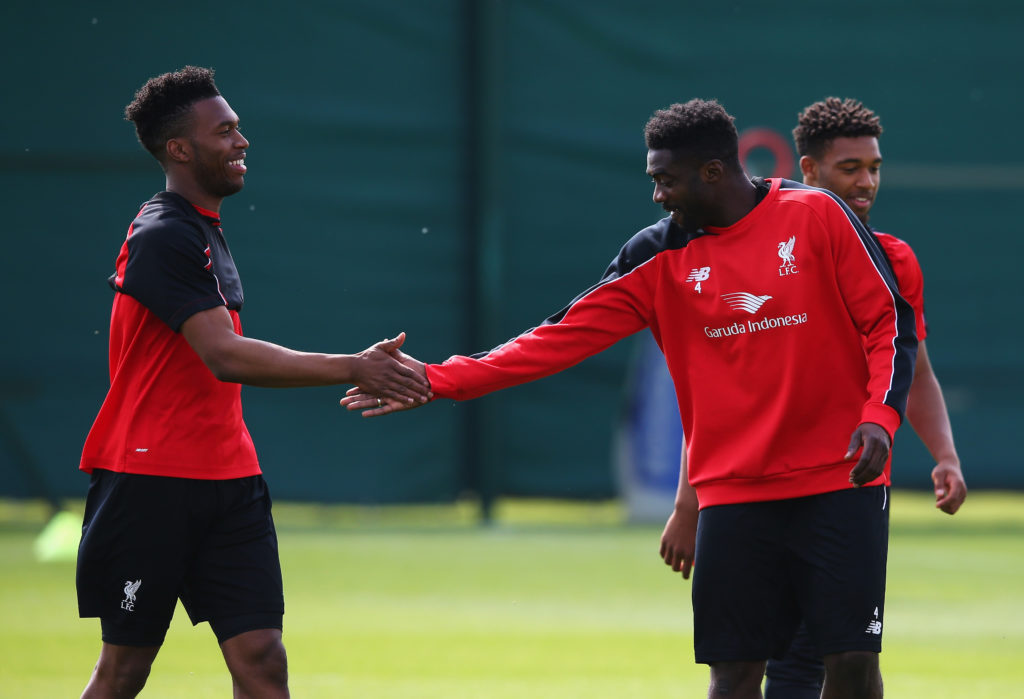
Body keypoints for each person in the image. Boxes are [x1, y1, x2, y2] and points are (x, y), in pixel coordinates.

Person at [343, 98, 918, 698]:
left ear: (713, 173)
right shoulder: (654, 255)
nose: (657, 195)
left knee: (851, 662)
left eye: (665, 180)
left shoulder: (816, 214)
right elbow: (553, 340)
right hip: (734, 495)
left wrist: (879, 417)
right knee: (735, 672)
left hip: (838, 483)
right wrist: (438, 379)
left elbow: (889, 323)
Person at [76, 66, 431, 699]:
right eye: (226, 131)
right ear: (179, 149)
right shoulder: (163, 233)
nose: (242, 141)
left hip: (230, 482)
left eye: (239, 128)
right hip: (148, 481)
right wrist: (354, 365)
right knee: (124, 671)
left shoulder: (201, 228)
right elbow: (225, 356)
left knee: (262, 660)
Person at [755, 97, 969, 699]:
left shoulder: (896, 259)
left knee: (850, 655)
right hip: (764, 480)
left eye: (874, 166)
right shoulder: (766, 257)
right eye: (850, 167)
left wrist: (945, 455)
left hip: (851, 486)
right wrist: (691, 500)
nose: (867, 181)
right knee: (782, 660)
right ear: (809, 169)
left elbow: (914, 368)